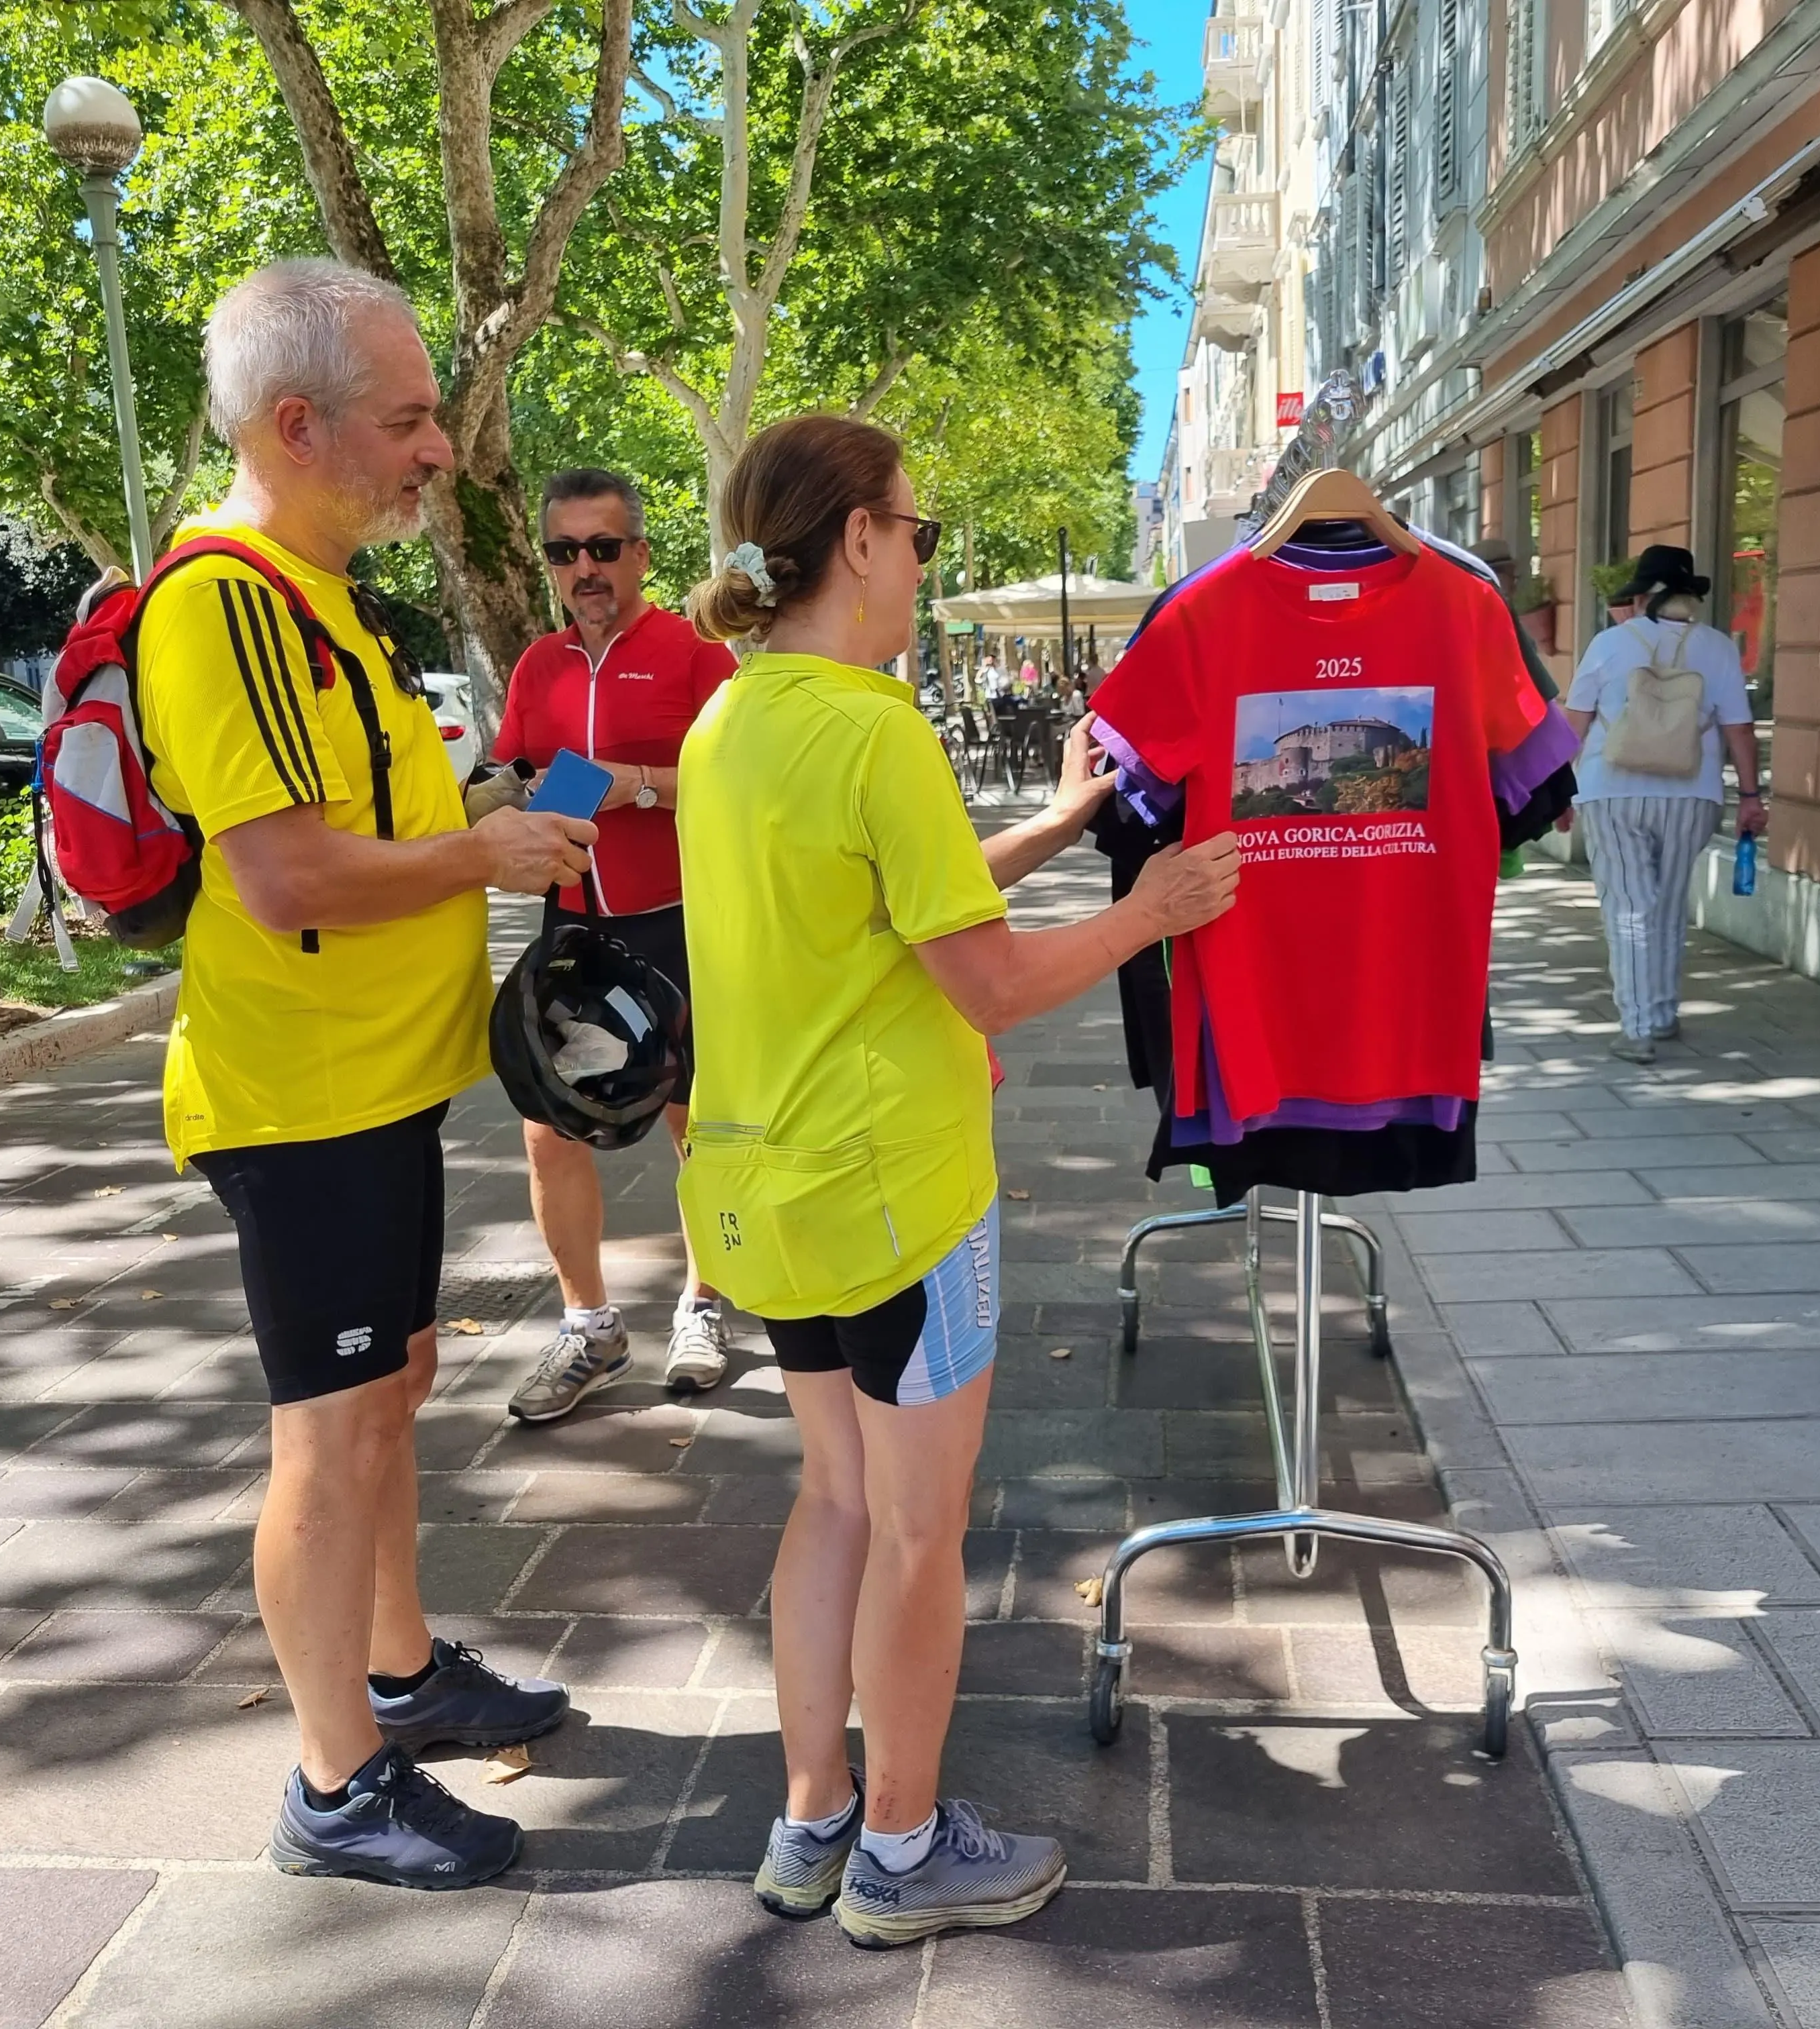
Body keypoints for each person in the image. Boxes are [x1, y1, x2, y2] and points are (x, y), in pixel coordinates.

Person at [675, 414, 1241, 1948]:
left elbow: (893, 906)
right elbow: (981, 985)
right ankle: (905, 1852)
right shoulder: (872, 727)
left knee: (835, 1503)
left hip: (769, 1198)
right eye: (914, 530)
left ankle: (811, 1824)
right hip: (900, 1198)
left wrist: (1057, 822)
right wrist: (1151, 911)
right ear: (854, 536)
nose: (921, 558)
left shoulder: (731, 724)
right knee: (920, 1530)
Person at [140, 258, 597, 1889]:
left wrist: (481, 815)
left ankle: (397, 1678)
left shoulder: (320, 599)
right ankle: (334, 1785)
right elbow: (285, 878)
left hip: (375, 1087)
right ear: (295, 424)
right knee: (329, 1440)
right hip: (303, 1101)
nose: (439, 453)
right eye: (407, 421)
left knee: (389, 1393)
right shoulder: (228, 602)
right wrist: (479, 850)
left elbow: (365, 827)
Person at [492, 470, 741, 1422]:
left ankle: (704, 1305)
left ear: (640, 552)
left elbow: (732, 784)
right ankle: (589, 1327)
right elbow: (521, 775)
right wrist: (491, 803)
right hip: (572, 926)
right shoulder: (538, 667)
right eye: (564, 552)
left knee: (694, 1124)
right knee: (549, 1128)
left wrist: (632, 782)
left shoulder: (692, 654)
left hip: (677, 920)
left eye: (602, 548)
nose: (584, 569)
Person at [1562, 544, 1764, 1063]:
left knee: (1629, 905)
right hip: (1692, 792)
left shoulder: (1609, 644)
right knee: (1669, 904)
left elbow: (1575, 725)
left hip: (1612, 790)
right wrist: (1749, 796)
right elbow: (1739, 729)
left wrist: (1556, 791)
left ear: (1642, 596)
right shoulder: (1718, 647)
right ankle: (1662, 1011)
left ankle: (1636, 1028)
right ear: (1688, 597)